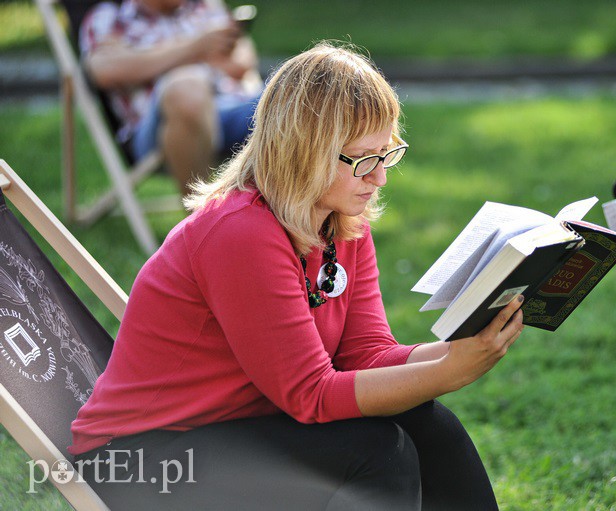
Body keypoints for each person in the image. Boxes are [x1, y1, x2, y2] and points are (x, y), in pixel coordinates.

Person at [68, 42, 524, 510]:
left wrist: (458, 348)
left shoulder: (341, 221)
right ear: (308, 153)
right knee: (377, 452)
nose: (380, 177)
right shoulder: (240, 231)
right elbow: (311, 395)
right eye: (364, 160)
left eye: (386, 155)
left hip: (237, 428)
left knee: (427, 422)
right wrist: (448, 370)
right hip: (138, 461)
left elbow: (365, 355)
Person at [79, 0, 262, 196]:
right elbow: (105, 70)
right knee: (186, 88)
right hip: (158, 127)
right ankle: (203, 221)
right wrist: (197, 48)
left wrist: (147, 59)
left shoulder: (204, 5)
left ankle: (291, 219)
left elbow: (243, 61)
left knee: (294, 86)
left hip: (235, 108)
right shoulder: (112, 17)